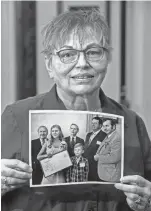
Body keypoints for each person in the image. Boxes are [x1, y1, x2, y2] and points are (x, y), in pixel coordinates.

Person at [1, 8, 151, 211]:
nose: (82, 64)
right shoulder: (16, 117)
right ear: (49, 65)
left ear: (107, 59)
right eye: (68, 54)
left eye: (93, 52)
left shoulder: (132, 123)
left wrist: (148, 200)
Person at [84, 116, 107, 181]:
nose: (93, 125)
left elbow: (105, 150)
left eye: (95, 123)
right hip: (86, 162)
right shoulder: (88, 135)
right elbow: (86, 148)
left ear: (100, 125)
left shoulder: (104, 135)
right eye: (92, 123)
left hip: (96, 164)